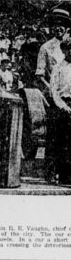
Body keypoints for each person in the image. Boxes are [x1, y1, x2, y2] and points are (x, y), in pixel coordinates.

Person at [36, 9, 71, 183]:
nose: (59, 28)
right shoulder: (46, 47)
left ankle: (66, 173)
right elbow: (40, 75)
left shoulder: (68, 43)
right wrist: (52, 91)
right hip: (53, 94)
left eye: (62, 24)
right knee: (54, 136)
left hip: (67, 93)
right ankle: (50, 172)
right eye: (56, 24)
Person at [50, 38, 71, 183]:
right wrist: (64, 106)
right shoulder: (58, 68)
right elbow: (54, 91)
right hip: (63, 105)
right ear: (64, 50)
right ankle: (63, 174)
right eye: (69, 49)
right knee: (63, 141)